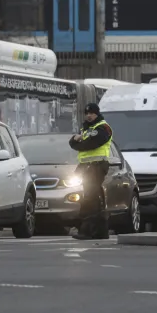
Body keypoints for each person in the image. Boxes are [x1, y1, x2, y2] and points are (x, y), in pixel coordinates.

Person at [68, 103, 113, 240]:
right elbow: (72, 143)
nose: (88, 115)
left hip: (97, 165)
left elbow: (91, 144)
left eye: (91, 113)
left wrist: (79, 142)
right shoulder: (86, 128)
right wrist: (77, 140)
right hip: (87, 166)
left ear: (97, 114)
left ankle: (87, 231)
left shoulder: (103, 128)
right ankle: (100, 232)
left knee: (90, 198)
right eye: (87, 113)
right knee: (95, 198)